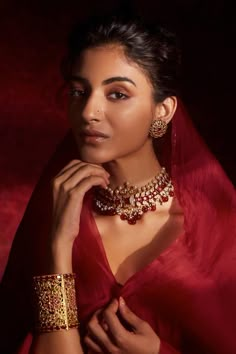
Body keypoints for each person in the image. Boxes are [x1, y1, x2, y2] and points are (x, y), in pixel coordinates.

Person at [0, 15, 236, 354]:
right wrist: (58, 247)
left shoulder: (219, 227)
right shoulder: (57, 213)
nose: (89, 111)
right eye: (79, 91)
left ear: (163, 111)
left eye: (118, 94)